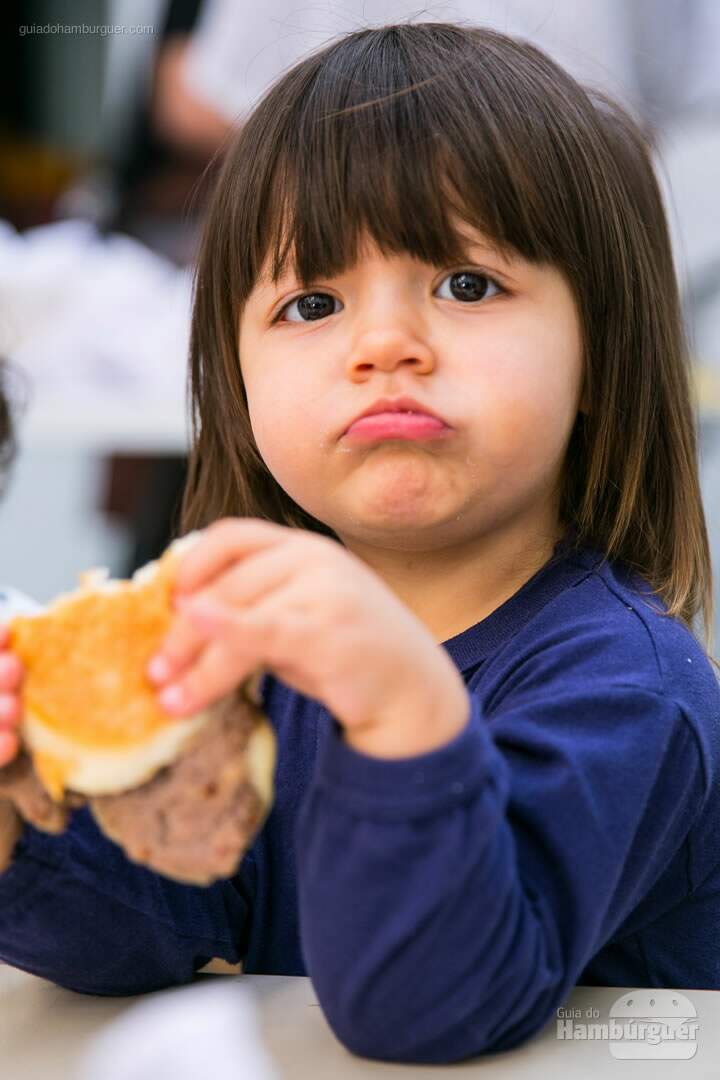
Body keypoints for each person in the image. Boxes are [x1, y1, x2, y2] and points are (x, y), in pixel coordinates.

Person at [0, 22, 719, 1066]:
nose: (384, 346)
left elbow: (430, 1006)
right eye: (313, 303)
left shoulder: (628, 688)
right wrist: (21, 832)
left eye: (466, 285)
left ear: (601, 356)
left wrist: (398, 709)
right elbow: (152, 930)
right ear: (234, 384)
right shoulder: (254, 664)